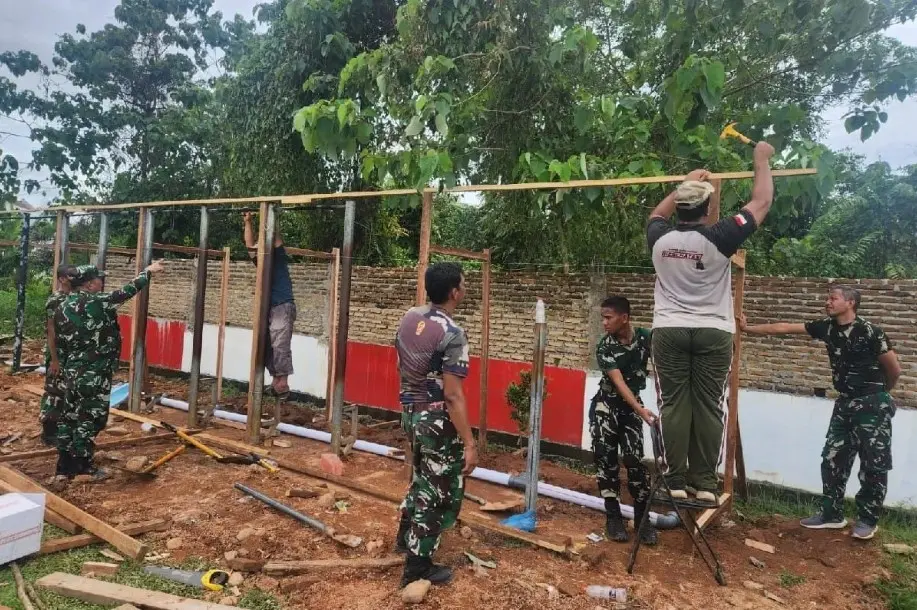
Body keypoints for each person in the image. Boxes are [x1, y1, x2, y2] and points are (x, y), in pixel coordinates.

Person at [646, 141, 775, 505]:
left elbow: (655, 214)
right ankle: (704, 483)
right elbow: (761, 202)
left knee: (673, 404)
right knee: (708, 405)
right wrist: (761, 159)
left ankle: (673, 480)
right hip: (714, 331)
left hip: (669, 329)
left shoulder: (659, 238)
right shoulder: (721, 237)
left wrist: (684, 185)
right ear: (707, 210)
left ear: (680, 206)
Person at [739, 286, 901, 540]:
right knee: (833, 458)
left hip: (872, 405)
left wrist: (882, 395)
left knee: (873, 464)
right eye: (827, 298)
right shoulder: (826, 327)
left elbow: (894, 369)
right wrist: (748, 329)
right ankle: (831, 514)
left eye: (833, 298)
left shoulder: (870, 331)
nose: (827, 302)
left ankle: (867, 520)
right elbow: (785, 328)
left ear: (850, 302)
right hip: (844, 404)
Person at [393, 262, 477, 588]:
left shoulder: (410, 316)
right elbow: (453, 396)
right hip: (437, 421)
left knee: (421, 477)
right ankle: (417, 567)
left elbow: (400, 361)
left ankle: (405, 538)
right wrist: (469, 443)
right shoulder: (453, 334)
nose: (465, 288)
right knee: (439, 490)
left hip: (410, 411)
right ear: (455, 292)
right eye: (463, 284)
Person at [52, 261, 165, 482]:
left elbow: (60, 344)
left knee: (70, 416)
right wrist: (147, 272)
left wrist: (66, 368)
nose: (101, 283)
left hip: (73, 371)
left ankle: (64, 464)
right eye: (98, 279)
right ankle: (82, 465)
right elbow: (126, 292)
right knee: (91, 418)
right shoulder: (98, 302)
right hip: (94, 373)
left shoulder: (62, 307)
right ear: (89, 284)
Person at [591, 296, 657, 544]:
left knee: (635, 461)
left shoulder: (646, 338)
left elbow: (664, 362)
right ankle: (613, 519)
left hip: (631, 410)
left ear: (624, 318)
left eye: (608, 318)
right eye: (603, 318)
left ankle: (642, 520)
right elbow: (618, 383)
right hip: (606, 407)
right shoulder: (605, 346)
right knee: (606, 462)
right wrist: (641, 410)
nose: (604, 323)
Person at [243, 211, 296, 398]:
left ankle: (283, 381)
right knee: (265, 343)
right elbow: (249, 245)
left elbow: (276, 237)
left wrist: (268, 216)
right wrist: (248, 221)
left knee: (280, 342)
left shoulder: (277, 255)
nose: (257, 248)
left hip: (282, 304)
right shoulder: (260, 260)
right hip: (269, 307)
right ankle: (276, 379)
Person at [39, 264, 77, 446]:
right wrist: (54, 359)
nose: (74, 278)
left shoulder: (74, 297)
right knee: (55, 391)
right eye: (70, 276)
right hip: (58, 354)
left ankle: (61, 429)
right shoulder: (56, 300)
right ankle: (48, 432)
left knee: (66, 391)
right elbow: (51, 330)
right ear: (62, 279)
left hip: (70, 354)